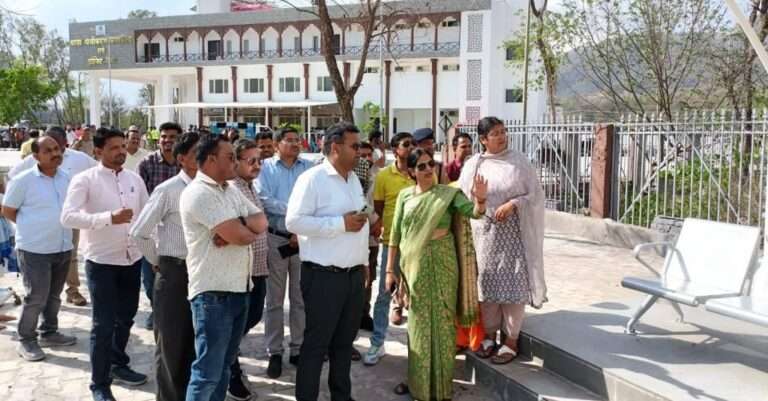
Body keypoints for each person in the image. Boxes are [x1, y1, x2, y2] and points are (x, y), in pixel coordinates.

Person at [385, 148, 487, 400]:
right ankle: (418, 385)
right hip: (414, 266)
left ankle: (442, 388)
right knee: (418, 325)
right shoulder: (405, 197)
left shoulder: (448, 194)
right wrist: (390, 269)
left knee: (442, 323)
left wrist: (481, 201)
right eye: (421, 166)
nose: (429, 169)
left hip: (443, 262)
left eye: (431, 164)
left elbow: (472, 212)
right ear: (411, 171)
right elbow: (395, 235)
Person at [61, 128, 149, 401]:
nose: (122, 151)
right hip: (102, 262)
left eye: (123, 146)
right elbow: (68, 217)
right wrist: (108, 218)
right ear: (98, 151)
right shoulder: (84, 180)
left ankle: (118, 363)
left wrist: (153, 254)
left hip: (132, 259)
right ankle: (99, 384)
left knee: (126, 318)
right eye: (114, 147)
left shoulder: (135, 179)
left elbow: (146, 217)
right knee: (103, 325)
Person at [180, 135, 268, 401]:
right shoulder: (198, 193)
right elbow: (242, 236)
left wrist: (237, 225)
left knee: (223, 371)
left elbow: (261, 222)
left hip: (239, 289)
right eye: (230, 157)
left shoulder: (229, 189)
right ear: (210, 160)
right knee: (207, 373)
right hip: (213, 296)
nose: (235, 161)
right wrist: (240, 230)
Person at [286, 122, 369, 401]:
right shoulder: (312, 179)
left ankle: (341, 397)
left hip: (353, 276)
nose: (360, 152)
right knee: (316, 346)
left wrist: (363, 263)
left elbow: (358, 223)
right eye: (354, 146)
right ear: (335, 147)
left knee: (344, 344)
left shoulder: (353, 179)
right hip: (323, 277)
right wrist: (340, 224)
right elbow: (294, 221)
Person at [458, 116, 547, 364]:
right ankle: (488, 335)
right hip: (484, 235)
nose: (501, 136)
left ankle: (511, 340)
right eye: (495, 133)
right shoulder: (474, 164)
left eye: (503, 131)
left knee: (514, 286)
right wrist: (480, 201)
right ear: (483, 139)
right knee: (487, 287)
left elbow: (536, 195)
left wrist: (514, 204)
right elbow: (464, 200)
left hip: (514, 235)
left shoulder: (519, 162)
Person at [129, 132, 200, 401]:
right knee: (171, 343)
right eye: (197, 153)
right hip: (175, 272)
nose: (204, 157)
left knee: (195, 340)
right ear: (182, 159)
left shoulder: (212, 188)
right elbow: (139, 232)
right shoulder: (168, 190)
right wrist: (159, 262)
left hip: (203, 272)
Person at [2, 137, 78, 361]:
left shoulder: (67, 179)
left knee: (54, 296)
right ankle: (27, 339)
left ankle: (49, 332)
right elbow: (8, 210)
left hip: (63, 246)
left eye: (57, 149)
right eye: (48, 150)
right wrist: (33, 226)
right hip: (34, 249)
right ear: (36, 156)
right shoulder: (23, 180)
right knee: (36, 297)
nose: (56, 153)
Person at [9, 126, 97, 307]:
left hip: (70, 222)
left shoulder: (80, 159)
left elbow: (97, 174)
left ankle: (72, 291)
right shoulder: (30, 165)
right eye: (48, 145)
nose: (53, 149)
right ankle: (34, 317)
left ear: (65, 142)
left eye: (56, 145)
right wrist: (28, 221)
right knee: (39, 284)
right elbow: (11, 183)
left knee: (71, 256)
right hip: (38, 235)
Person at [257, 127, 312, 378]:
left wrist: (299, 224)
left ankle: (298, 348)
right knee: (274, 301)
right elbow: (263, 199)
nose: (295, 144)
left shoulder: (307, 168)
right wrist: (294, 213)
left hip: (302, 241)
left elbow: (314, 199)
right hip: (276, 239)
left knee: (300, 299)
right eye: (289, 140)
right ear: (278, 144)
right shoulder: (266, 167)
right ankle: (274, 352)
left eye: (297, 140)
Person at [363, 132, 415, 366]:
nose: (411, 147)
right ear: (395, 149)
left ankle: (419, 346)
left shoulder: (420, 173)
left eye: (413, 144)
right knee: (385, 293)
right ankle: (377, 342)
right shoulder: (384, 176)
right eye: (406, 144)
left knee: (418, 296)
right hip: (391, 244)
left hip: (417, 244)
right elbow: (380, 210)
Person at [227, 139, 270, 401]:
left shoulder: (251, 187)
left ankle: (229, 356)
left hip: (259, 267)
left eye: (259, 161)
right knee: (237, 324)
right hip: (240, 270)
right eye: (251, 161)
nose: (257, 165)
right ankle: (231, 371)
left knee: (252, 317)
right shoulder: (231, 189)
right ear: (235, 162)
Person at [137, 121, 181, 330]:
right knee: (150, 277)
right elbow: (139, 196)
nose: (167, 141)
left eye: (172, 137)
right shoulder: (147, 163)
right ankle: (156, 310)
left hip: (176, 231)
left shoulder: (185, 164)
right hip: (151, 229)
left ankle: (168, 313)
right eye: (164, 137)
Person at [358, 142, 379, 331]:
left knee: (369, 278)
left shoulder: (378, 176)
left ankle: (364, 313)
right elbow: (361, 203)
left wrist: (376, 223)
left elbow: (379, 203)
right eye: (361, 155)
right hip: (354, 235)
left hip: (372, 235)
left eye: (368, 155)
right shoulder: (352, 177)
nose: (365, 159)